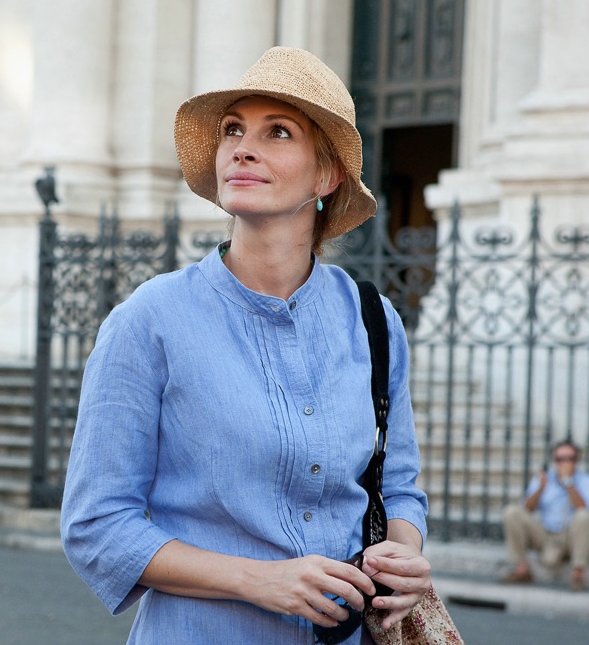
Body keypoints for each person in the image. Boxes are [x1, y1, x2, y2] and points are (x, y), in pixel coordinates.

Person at [61, 47, 430, 644]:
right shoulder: (150, 321)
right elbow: (97, 526)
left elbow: (400, 487)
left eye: (276, 132)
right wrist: (256, 580)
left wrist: (403, 556)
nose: (242, 147)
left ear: (326, 176)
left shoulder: (373, 320)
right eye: (233, 129)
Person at [501, 440, 589, 591]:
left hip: (572, 537)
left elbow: (586, 510)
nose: (564, 463)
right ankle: (522, 569)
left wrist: (568, 482)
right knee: (512, 512)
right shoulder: (545, 479)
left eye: (569, 459)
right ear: (554, 461)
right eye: (560, 459)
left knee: (583, 516)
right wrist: (541, 488)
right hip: (547, 535)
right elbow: (526, 509)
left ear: (576, 461)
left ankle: (577, 574)